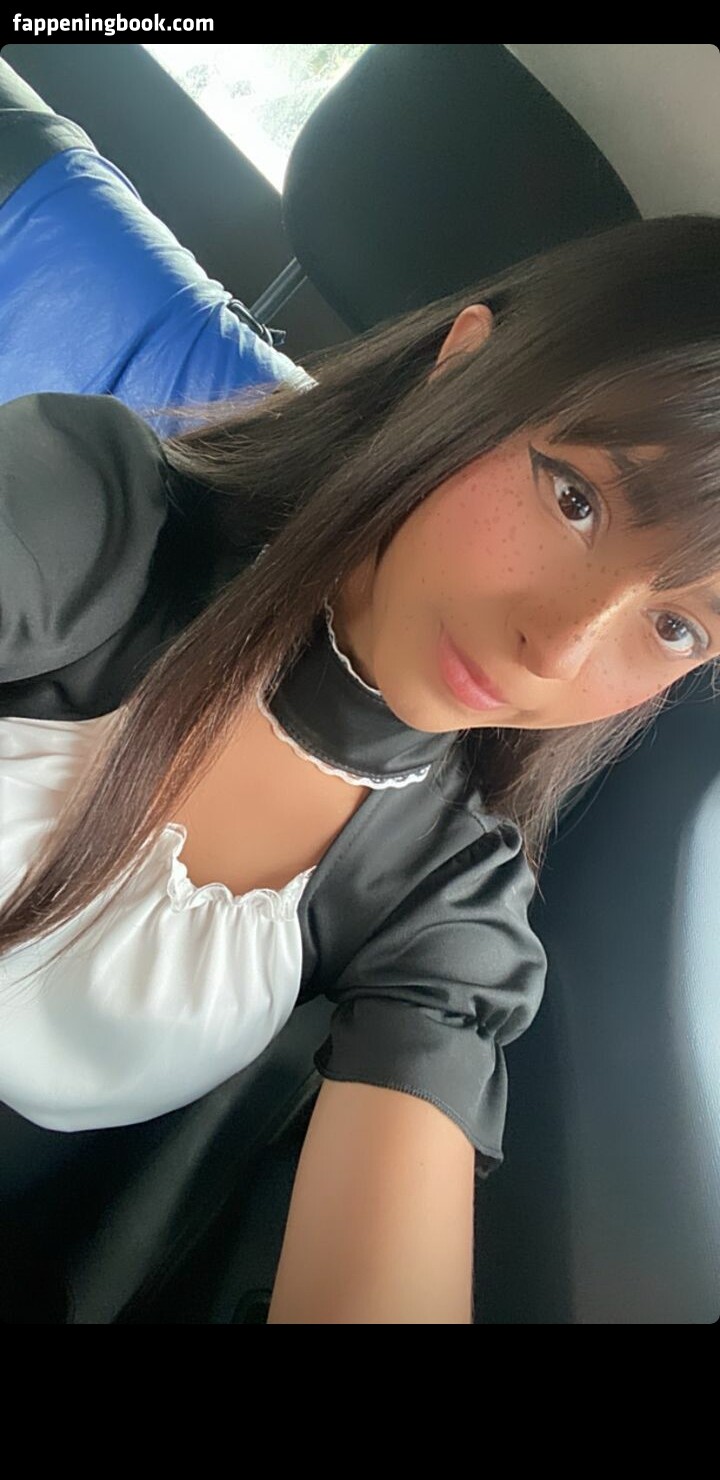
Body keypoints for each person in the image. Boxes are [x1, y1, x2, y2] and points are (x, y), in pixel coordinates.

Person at [1, 213, 719, 1323]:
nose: (559, 649)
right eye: (577, 501)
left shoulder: (454, 904)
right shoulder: (85, 512)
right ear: (463, 367)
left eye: (676, 628)